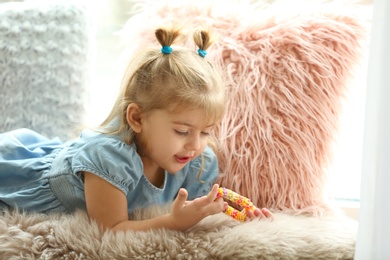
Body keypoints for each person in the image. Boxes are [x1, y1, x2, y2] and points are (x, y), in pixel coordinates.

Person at [0, 25, 273, 232]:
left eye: (206, 132)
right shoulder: (108, 158)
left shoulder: (197, 164)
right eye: (182, 131)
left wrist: (230, 211)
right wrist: (173, 222)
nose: (196, 145)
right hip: (13, 173)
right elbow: (111, 229)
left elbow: (195, 208)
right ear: (137, 119)